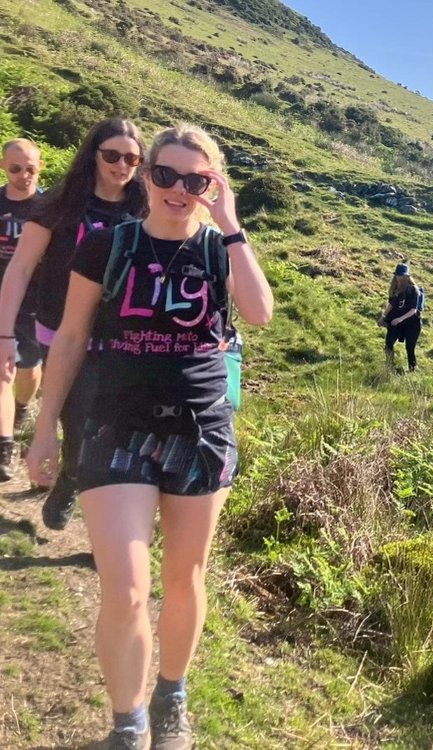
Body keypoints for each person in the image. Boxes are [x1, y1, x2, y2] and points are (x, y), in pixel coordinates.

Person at [26, 123, 273, 750]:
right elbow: (74, 338)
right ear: (146, 176)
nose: (178, 189)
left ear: (210, 185)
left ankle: (172, 696)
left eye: (196, 180)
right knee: (128, 586)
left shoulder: (220, 250)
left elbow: (259, 312)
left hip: (201, 430)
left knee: (185, 579)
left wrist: (231, 222)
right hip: (116, 426)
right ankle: (129, 723)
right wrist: (45, 431)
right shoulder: (107, 245)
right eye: (165, 175)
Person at [0, 118, 147, 530]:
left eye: (132, 158)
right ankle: (69, 479)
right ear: (93, 155)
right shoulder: (59, 205)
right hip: (62, 336)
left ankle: (107, 517)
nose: (121, 165)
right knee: (79, 424)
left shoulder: (145, 208)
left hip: (125, 340)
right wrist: (4, 333)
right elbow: (21, 268)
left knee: (119, 432)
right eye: (112, 155)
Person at [0, 139, 44, 479]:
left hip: (36, 302)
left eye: (30, 168)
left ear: (40, 167)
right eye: (16, 168)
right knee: (3, 370)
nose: (23, 174)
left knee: (29, 366)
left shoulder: (50, 208)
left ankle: (22, 408)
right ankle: (5, 445)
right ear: (4, 167)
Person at [380, 263, 420, 372]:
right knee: (388, 343)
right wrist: (383, 316)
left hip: (412, 323)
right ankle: (389, 366)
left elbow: (413, 310)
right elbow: (391, 304)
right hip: (396, 322)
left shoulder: (413, 290)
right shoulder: (394, 289)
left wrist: (401, 319)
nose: (399, 278)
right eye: (398, 275)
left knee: (410, 348)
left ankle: (412, 369)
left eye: (402, 276)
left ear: (407, 277)